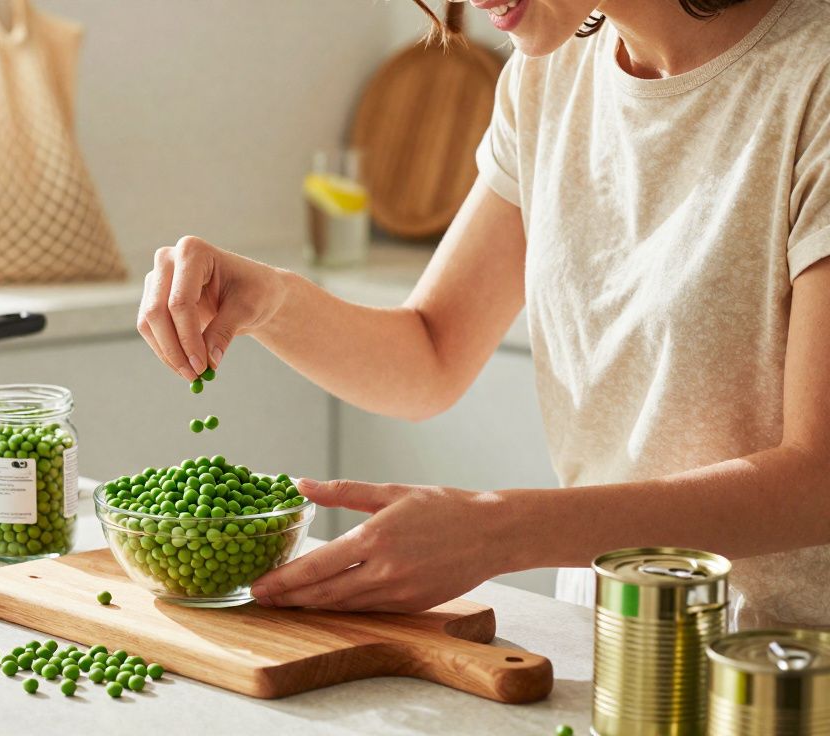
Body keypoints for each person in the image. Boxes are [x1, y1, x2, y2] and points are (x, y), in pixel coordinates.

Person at [136, 0, 830, 627]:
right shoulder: (549, 77)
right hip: (610, 648)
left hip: (790, 674)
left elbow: (817, 477)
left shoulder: (813, 77)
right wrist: (271, 300)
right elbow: (431, 352)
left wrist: (498, 531)